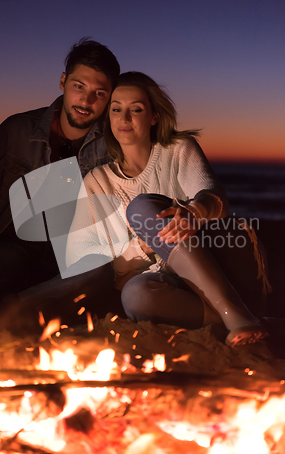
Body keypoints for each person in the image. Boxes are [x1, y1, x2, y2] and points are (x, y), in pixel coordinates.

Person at [65, 72, 270, 346]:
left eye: (135, 109)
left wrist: (194, 212)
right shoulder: (97, 181)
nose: (124, 118)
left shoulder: (178, 149)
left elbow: (216, 198)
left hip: (223, 265)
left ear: (154, 116)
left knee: (141, 209)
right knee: (135, 294)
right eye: (116, 110)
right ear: (108, 117)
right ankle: (245, 321)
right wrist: (145, 246)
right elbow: (105, 265)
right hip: (174, 287)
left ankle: (234, 314)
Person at [0, 38, 120, 330]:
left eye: (99, 93)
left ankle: (2, 320)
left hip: (73, 254)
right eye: (79, 87)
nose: (86, 102)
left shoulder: (114, 145)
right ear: (63, 81)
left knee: (99, 275)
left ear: (111, 96)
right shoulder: (16, 129)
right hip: (16, 247)